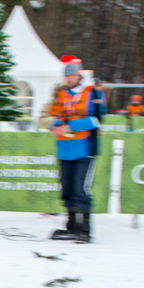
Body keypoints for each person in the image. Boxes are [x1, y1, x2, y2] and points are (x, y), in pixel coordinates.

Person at [47, 55, 105, 243]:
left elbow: (96, 119)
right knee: (67, 188)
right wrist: (54, 127)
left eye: (71, 75)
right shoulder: (62, 93)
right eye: (66, 76)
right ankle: (71, 227)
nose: (68, 79)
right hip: (64, 148)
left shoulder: (93, 92)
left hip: (84, 148)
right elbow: (56, 115)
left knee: (80, 188)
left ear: (79, 74)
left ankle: (85, 230)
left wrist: (70, 127)